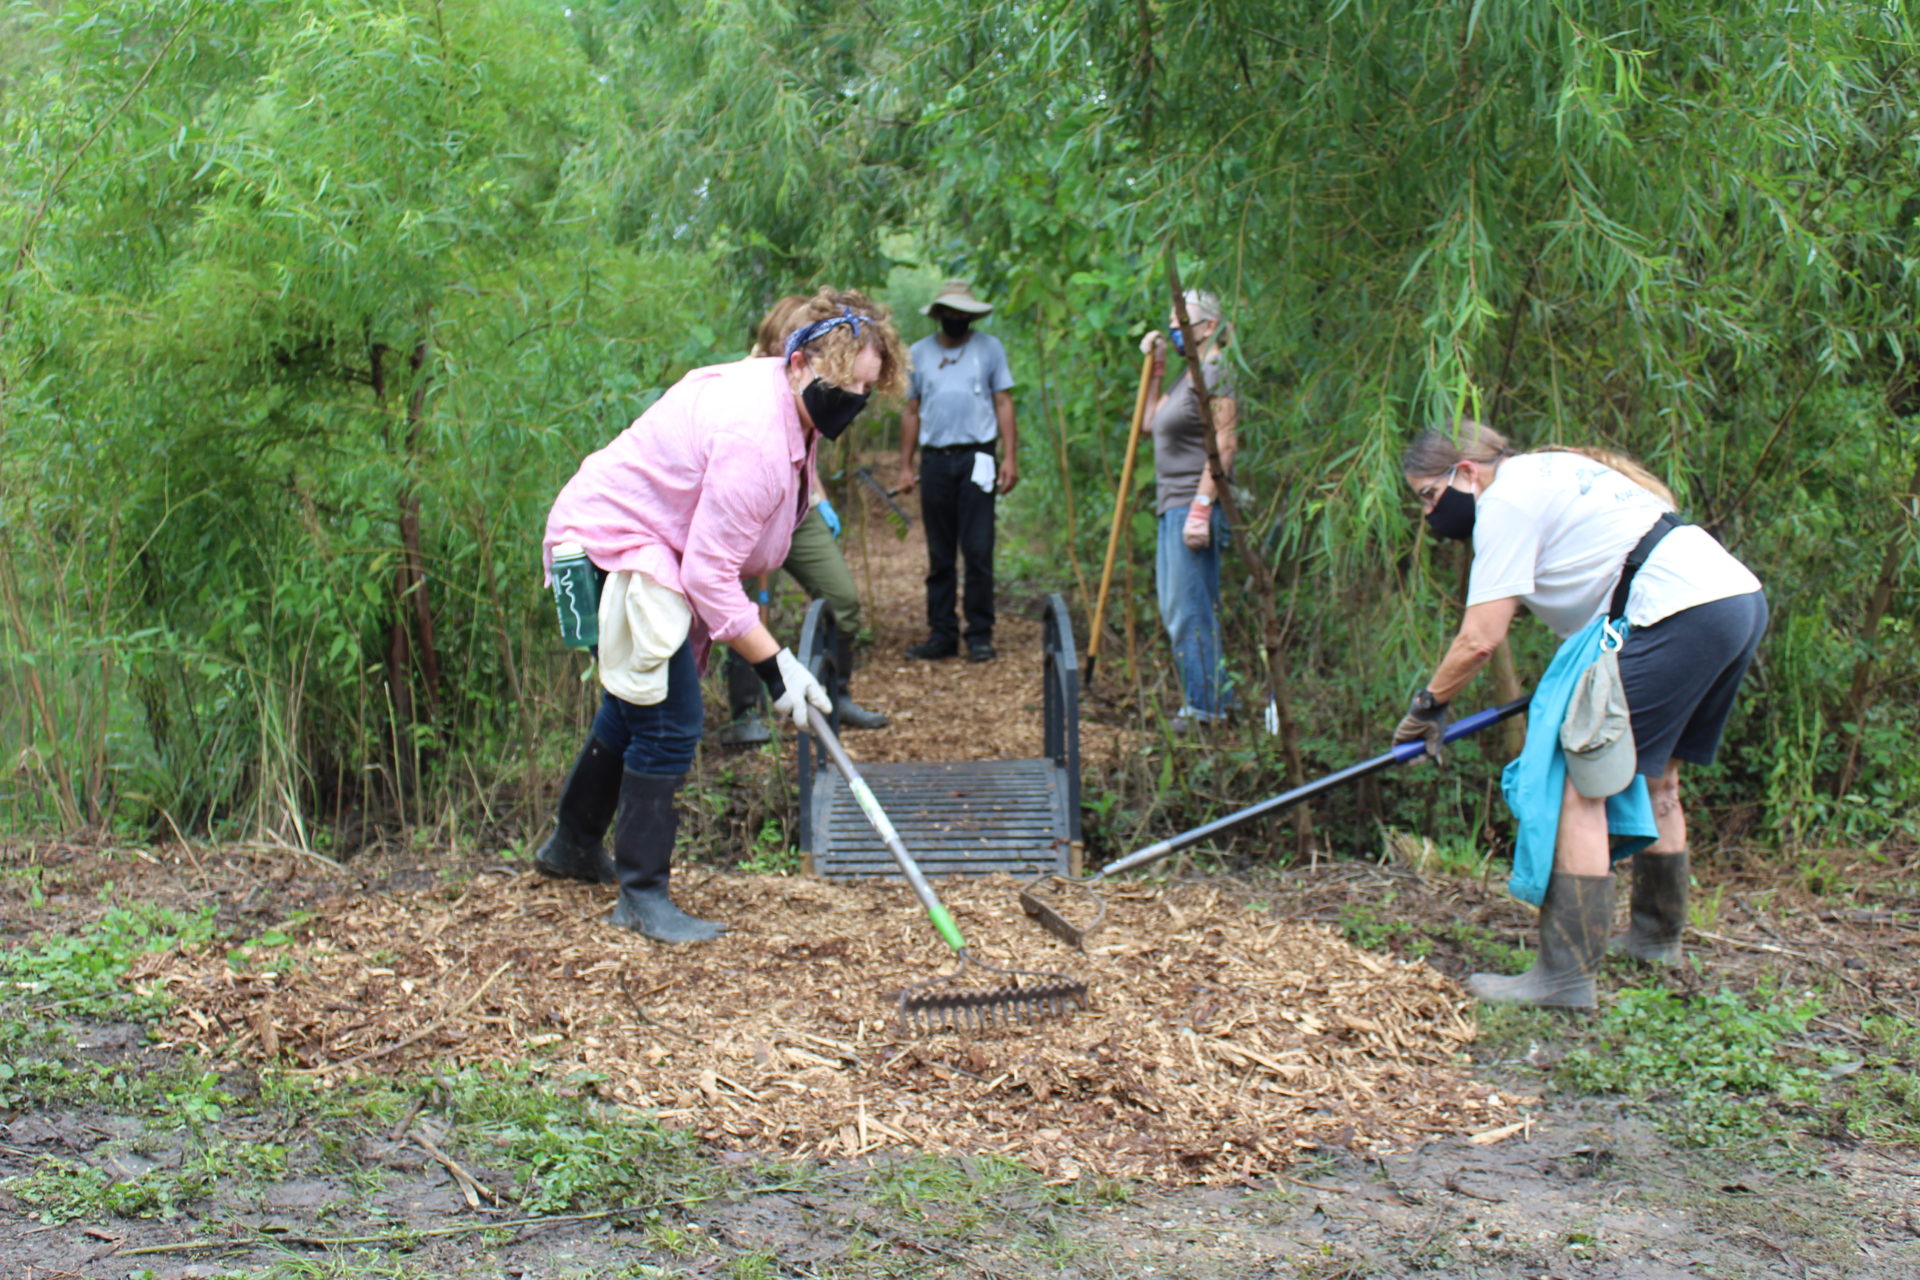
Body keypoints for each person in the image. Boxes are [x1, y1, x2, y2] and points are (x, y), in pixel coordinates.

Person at [535, 288, 908, 943]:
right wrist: (777, 669)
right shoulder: (756, 438)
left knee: (633, 704)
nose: (851, 403)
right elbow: (708, 574)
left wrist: (774, 665)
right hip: (611, 546)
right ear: (798, 363)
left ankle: (571, 844)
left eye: (864, 392)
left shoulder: (791, 405)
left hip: (640, 546)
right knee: (671, 719)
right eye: (843, 387)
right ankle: (642, 895)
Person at [1393, 421, 1767, 1007]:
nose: (1429, 515)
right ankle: (1654, 936)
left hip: (1675, 611)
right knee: (1657, 774)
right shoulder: (1549, 469)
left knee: (1576, 780)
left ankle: (1564, 978)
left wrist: (1429, 705)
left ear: (1464, 473)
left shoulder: (1504, 502)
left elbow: (1479, 640)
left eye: (1429, 496)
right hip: (1733, 599)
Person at [717, 296, 889, 745]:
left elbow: (805, 452)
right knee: (745, 608)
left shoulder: (822, 387)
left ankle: (836, 693)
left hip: (798, 510)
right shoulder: (748, 386)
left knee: (842, 598)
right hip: (747, 512)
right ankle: (744, 712)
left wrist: (821, 499)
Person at [896, 280, 1019, 663]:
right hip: (935, 459)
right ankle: (942, 632)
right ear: (939, 314)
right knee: (940, 551)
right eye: (949, 312)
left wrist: (1009, 457)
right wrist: (905, 465)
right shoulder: (919, 354)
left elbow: (1003, 402)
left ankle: (980, 634)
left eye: (962, 313)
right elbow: (911, 411)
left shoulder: (989, 349)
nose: (956, 318)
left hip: (978, 457)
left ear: (970, 315)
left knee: (979, 548)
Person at [1137, 291, 1238, 729]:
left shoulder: (1218, 371)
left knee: (1190, 607)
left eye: (1183, 321)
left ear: (1209, 327)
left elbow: (1225, 442)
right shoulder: (1188, 376)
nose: (1175, 328)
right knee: (1177, 606)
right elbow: (1147, 424)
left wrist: (1201, 507)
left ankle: (1207, 708)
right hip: (1170, 506)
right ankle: (1213, 700)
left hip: (1191, 506)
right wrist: (1157, 367)